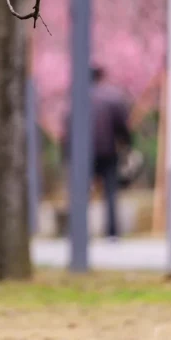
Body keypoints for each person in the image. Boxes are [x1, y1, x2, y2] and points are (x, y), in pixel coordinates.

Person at [63, 65, 132, 239]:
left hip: (82, 153)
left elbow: (67, 129)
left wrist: (66, 154)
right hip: (108, 151)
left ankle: (78, 231)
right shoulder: (113, 97)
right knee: (110, 192)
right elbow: (122, 127)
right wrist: (127, 145)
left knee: (80, 192)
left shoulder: (75, 98)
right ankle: (111, 233)